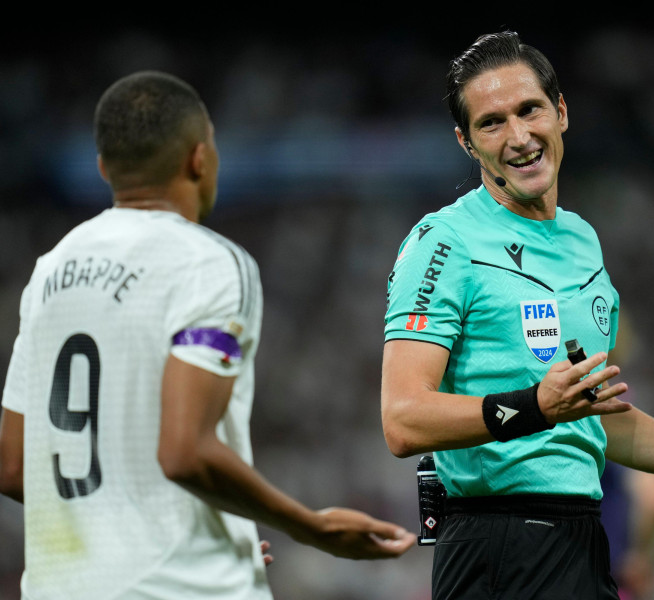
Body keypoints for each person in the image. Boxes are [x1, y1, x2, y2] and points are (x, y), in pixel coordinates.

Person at [380, 31, 654, 599]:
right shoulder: (444, 240)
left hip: (583, 539)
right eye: (491, 122)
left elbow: (591, 417)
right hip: (496, 547)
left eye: (529, 110)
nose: (519, 137)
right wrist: (534, 406)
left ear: (561, 112)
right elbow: (403, 419)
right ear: (466, 143)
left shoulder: (581, 241)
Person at [0, 70, 414, 600]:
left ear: (105, 167)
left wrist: (202, 535)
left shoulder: (50, 271)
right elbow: (185, 453)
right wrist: (313, 526)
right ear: (199, 158)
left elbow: (14, 468)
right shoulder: (210, 264)